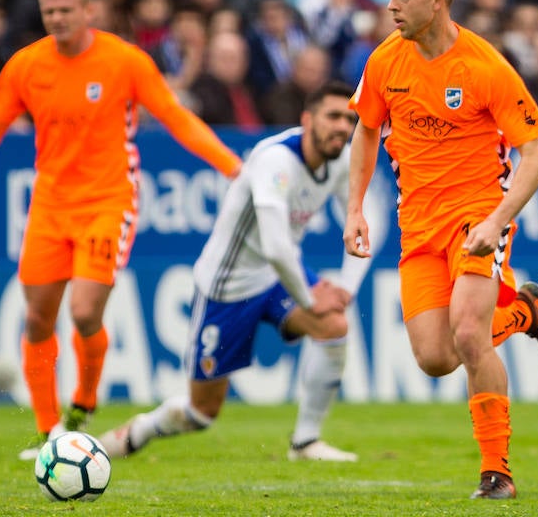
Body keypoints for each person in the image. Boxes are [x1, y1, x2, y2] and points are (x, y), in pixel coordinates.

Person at [0, 0, 243, 460]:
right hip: (50, 204)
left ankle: (83, 403)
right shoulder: (27, 65)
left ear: (88, 10)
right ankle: (51, 432)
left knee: (85, 310)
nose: (58, 18)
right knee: (36, 319)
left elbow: (177, 118)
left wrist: (232, 167)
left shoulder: (123, 61)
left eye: (67, 9)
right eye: (50, 11)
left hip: (108, 199)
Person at [342, 0, 538, 500]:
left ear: (436, 0)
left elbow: (534, 157)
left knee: (469, 333)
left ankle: (497, 473)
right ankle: (526, 312)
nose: (389, 4)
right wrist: (353, 210)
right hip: (416, 226)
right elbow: (367, 131)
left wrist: (497, 219)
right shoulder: (384, 61)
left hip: (476, 218)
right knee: (436, 358)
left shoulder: (484, 65)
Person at [97, 80, 368, 462]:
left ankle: (305, 443)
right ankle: (139, 430)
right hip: (229, 286)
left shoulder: (342, 160)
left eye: (350, 119)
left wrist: (346, 290)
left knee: (334, 325)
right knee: (200, 412)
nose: (342, 126)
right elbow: (274, 245)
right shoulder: (275, 160)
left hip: (278, 276)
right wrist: (311, 299)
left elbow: (363, 222)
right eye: (333, 116)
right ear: (308, 119)